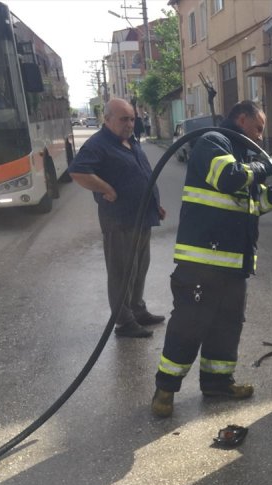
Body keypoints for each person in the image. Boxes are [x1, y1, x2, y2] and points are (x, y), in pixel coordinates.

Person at [150, 100, 272, 418]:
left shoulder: (242, 156)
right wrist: (266, 167)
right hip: (202, 263)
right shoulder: (213, 143)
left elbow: (254, 206)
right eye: (258, 128)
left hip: (234, 265)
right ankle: (165, 390)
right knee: (189, 325)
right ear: (240, 118)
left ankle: (217, 383)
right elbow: (229, 178)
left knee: (226, 327)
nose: (261, 138)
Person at [69, 98, 166, 338]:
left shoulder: (130, 141)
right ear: (107, 119)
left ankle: (137, 310)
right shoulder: (99, 144)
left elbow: (141, 174)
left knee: (139, 268)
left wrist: (156, 204)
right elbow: (78, 171)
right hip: (119, 219)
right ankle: (124, 322)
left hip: (142, 217)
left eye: (132, 118)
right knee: (122, 272)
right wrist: (105, 188)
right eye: (124, 119)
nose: (130, 124)